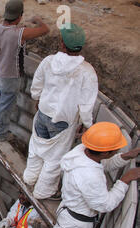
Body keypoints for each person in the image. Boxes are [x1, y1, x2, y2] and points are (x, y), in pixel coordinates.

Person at [23, 23, 98, 200]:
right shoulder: (87, 72)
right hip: (63, 122)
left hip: (42, 114)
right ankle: (43, 192)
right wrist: (88, 125)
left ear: (62, 44)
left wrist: (38, 98)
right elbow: (86, 104)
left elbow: (37, 84)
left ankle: (29, 178)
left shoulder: (49, 61)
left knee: (36, 148)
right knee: (54, 159)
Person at [0, 0, 49, 141]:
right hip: (11, 77)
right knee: (5, 107)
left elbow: (5, 35)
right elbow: (45, 30)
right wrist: (37, 20)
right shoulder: (19, 34)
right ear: (19, 16)